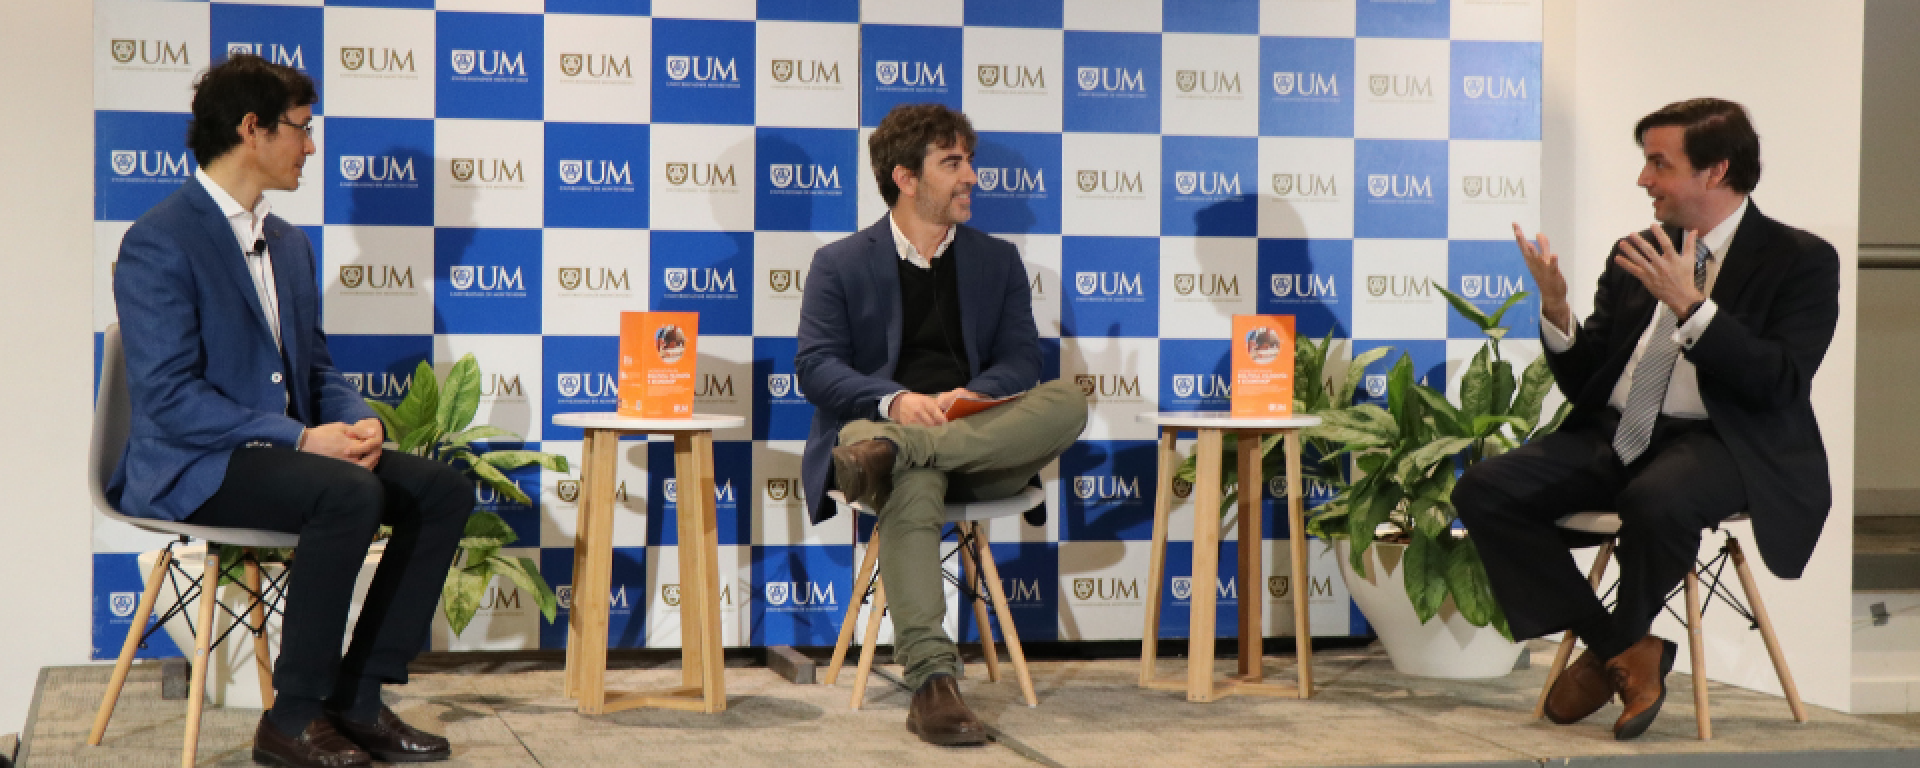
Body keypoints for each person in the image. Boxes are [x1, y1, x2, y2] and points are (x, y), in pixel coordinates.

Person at [110, 55, 467, 767]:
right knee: (346, 491)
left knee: (441, 489)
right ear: (252, 128)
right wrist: (301, 438)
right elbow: (170, 398)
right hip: (195, 464)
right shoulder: (159, 240)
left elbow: (316, 369)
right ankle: (293, 718)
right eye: (302, 129)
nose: (311, 146)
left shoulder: (291, 244)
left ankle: (358, 700)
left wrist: (360, 421)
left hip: (283, 452)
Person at [1453, 98, 1839, 740]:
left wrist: (1693, 307)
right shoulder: (1635, 252)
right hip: (1621, 430)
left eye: (1658, 164)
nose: (1643, 180)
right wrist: (1556, 313)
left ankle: (1617, 648)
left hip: (1728, 441)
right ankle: (1625, 649)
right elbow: (1587, 380)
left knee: (1657, 499)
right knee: (1484, 489)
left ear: (1714, 171)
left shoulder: (1799, 260)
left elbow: (1780, 380)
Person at [796, 103, 1089, 746]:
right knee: (915, 483)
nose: (971, 177)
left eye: (970, 161)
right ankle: (933, 683)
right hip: (875, 431)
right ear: (905, 176)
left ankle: (901, 450)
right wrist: (895, 401)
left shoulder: (998, 260)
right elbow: (816, 369)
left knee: (1068, 399)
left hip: (960, 443)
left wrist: (968, 398)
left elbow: (1021, 361)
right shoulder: (841, 263)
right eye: (952, 163)